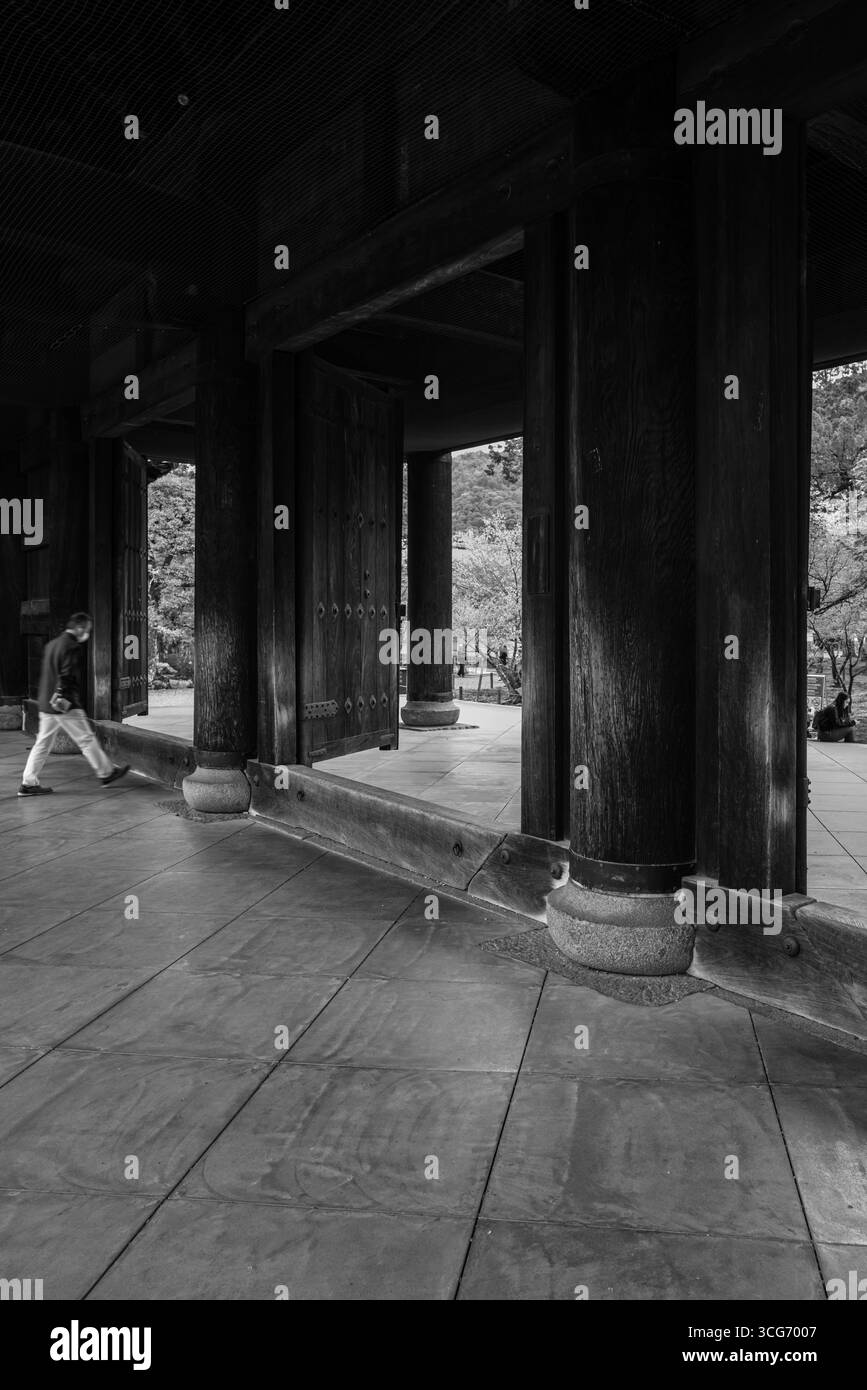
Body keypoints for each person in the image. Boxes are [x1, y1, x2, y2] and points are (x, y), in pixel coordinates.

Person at [18, 613, 130, 796]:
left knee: (43, 744)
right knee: (86, 739)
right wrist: (62, 696)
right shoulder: (71, 646)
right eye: (86, 629)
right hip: (63, 703)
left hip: (46, 703)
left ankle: (28, 783)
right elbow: (67, 674)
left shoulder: (52, 644)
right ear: (79, 627)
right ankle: (106, 773)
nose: (87, 633)